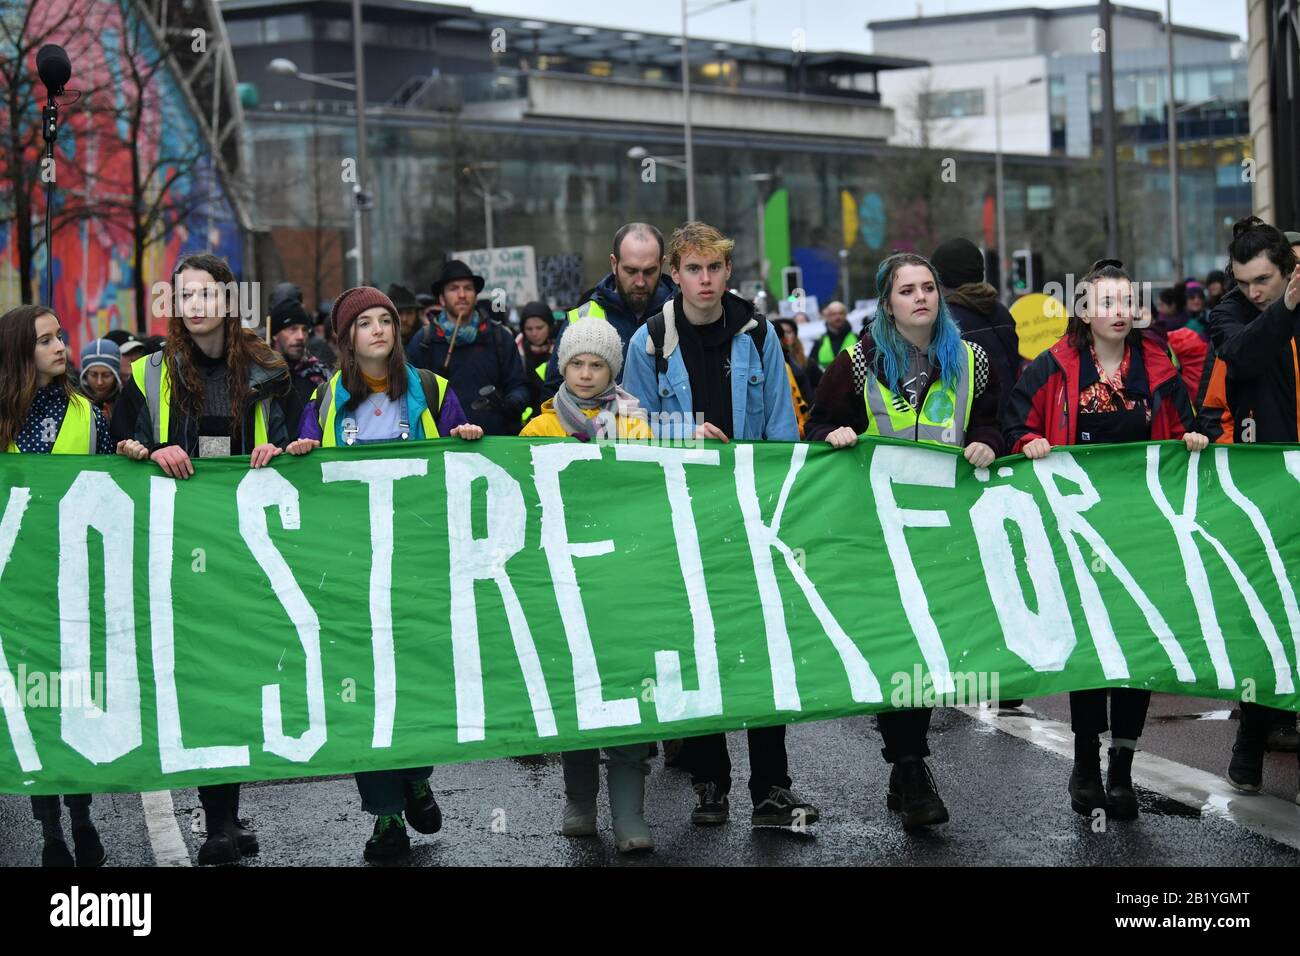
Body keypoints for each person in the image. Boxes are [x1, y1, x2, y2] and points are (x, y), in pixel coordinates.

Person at [622, 221, 816, 830]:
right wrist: (684, 433)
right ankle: (710, 781)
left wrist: (785, 513)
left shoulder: (758, 336)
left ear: (727, 273)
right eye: (692, 270)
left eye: (714, 269)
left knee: (763, 648)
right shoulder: (648, 342)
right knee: (697, 645)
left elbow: (783, 429)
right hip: (681, 517)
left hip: (750, 515)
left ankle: (772, 786)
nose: (705, 280)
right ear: (673, 276)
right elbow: (627, 432)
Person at [1005, 258, 1208, 820]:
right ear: (1085, 311)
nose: (1118, 313)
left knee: (1136, 647)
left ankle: (1122, 770)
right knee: (1093, 648)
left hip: (1143, 533)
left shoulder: (1159, 367)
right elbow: (1013, 423)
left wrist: (1193, 436)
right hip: (1078, 532)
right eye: (1106, 303)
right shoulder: (1054, 366)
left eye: (1126, 302)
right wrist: (1027, 441)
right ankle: (1084, 763)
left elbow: (1192, 427)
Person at [806, 252, 1002, 830]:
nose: (920, 298)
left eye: (928, 288)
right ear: (887, 303)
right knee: (898, 645)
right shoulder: (859, 362)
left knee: (931, 645)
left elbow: (996, 419)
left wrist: (990, 440)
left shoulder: (973, 359)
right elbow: (816, 424)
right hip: (877, 530)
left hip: (945, 531)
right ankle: (912, 766)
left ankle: (906, 768)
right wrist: (833, 433)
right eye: (906, 290)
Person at [286, 286, 481, 861]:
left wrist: (465, 437)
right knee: (362, 692)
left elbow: (461, 459)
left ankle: (417, 775)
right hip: (349, 569)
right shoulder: (322, 401)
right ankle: (386, 818)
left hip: (418, 564)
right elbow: (297, 464)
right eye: (363, 323)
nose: (377, 330)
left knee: (417, 680)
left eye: (385, 321)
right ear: (345, 337)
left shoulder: (433, 387)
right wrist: (294, 451)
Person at [110, 252, 292, 865]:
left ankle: (227, 815)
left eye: (207, 294)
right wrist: (147, 449)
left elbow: (295, 441)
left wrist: (282, 447)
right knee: (203, 679)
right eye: (184, 295)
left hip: (247, 544)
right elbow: (118, 445)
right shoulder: (147, 373)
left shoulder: (268, 368)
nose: (195, 304)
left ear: (229, 301)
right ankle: (217, 822)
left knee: (239, 677)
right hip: (182, 548)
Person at [518, 319, 656, 852]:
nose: (586, 373)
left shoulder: (639, 426)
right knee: (574, 692)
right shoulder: (538, 429)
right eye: (576, 363)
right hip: (564, 579)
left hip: (623, 580)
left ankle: (629, 816)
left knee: (626, 689)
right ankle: (579, 802)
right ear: (562, 367)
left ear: (612, 370)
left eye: (597, 364)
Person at [0, 305, 114, 866]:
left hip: (80, 583)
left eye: (61, 336)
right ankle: (49, 829)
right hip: (19, 591)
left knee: (78, 702)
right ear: (21, 352)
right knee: (35, 706)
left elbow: (120, 481)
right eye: (45, 340)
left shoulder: (89, 414)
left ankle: (83, 816)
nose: (60, 346)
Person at [1206, 216, 1300, 795]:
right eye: (1244, 282)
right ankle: (1249, 744)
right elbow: (1241, 357)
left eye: (1263, 279)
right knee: (1269, 618)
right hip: (1262, 490)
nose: (1253, 291)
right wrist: (1284, 308)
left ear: (1288, 267)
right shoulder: (1230, 313)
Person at [541, 222, 676, 399]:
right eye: (630, 270)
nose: (640, 282)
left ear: (662, 264)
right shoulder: (581, 317)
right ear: (614, 263)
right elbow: (554, 392)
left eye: (649, 271)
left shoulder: (681, 313)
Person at [407, 260, 530, 436]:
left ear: (475, 295)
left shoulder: (499, 336)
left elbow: (519, 385)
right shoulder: (424, 341)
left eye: (468, 288)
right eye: (454, 289)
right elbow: (410, 395)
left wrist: (511, 403)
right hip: (445, 444)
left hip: (495, 442)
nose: (462, 294)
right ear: (442, 298)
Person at [930, 237, 1021, 419]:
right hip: (1010, 419)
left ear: (940, 277)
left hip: (970, 429)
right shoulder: (1002, 312)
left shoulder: (944, 320)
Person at [269, 293, 331, 439]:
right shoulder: (260, 377)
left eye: (305, 330)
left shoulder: (320, 376)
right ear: (275, 334)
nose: (300, 336)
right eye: (292, 329)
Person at [516, 300, 554, 423]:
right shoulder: (515, 352)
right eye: (529, 328)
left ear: (549, 326)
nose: (534, 333)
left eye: (539, 327)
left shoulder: (561, 352)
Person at [806, 300, 856, 391]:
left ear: (845, 315)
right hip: (827, 391)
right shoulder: (819, 342)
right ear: (827, 317)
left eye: (841, 313)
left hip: (853, 391)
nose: (838, 317)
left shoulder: (857, 339)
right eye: (834, 314)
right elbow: (811, 369)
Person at [78, 338, 121, 422]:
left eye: (106, 375)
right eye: (93, 375)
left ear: (116, 375)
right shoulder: (73, 403)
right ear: (85, 374)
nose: (99, 382)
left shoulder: (127, 402)